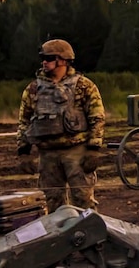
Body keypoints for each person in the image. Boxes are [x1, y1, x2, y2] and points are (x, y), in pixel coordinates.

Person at [16, 39, 106, 212]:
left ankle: (89, 237)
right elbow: (24, 121)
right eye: (43, 58)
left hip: (76, 151)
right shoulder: (33, 89)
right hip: (48, 154)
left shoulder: (84, 86)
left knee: (83, 201)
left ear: (63, 60)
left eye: (49, 58)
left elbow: (97, 117)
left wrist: (93, 149)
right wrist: (24, 151)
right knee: (52, 203)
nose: (44, 62)